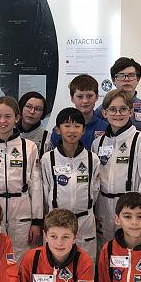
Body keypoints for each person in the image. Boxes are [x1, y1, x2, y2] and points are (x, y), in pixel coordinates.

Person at [0, 96, 44, 261]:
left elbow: (36, 186)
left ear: (17, 118)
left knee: (21, 258)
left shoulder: (29, 147)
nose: (2, 121)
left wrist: (37, 221)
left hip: (22, 209)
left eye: (8, 116)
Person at [92, 89, 141, 243]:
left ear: (131, 112)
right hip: (103, 207)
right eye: (112, 109)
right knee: (106, 249)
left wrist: (138, 211)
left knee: (131, 247)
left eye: (123, 109)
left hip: (130, 208)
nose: (118, 114)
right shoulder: (98, 143)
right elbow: (94, 180)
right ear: (104, 113)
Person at [40, 108, 101, 258]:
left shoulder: (92, 159)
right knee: (56, 263)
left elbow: (95, 190)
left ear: (83, 130)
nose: (72, 130)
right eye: (67, 126)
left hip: (84, 221)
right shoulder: (48, 159)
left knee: (86, 264)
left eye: (77, 126)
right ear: (58, 130)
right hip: (56, 221)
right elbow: (45, 190)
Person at [48, 74, 107, 151]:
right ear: (72, 98)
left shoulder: (106, 128)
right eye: (80, 96)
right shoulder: (61, 130)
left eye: (89, 96)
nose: (85, 101)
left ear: (96, 97)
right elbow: (54, 156)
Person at [109, 57, 141, 126]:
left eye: (131, 75)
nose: (126, 79)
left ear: (138, 79)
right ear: (113, 80)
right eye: (121, 76)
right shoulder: (104, 109)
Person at [17, 90, 51, 155]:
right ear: (21, 108)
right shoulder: (10, 132)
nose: (32, 112)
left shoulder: (47, 139)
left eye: (38, 109)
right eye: (29, 107)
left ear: (43, 113)